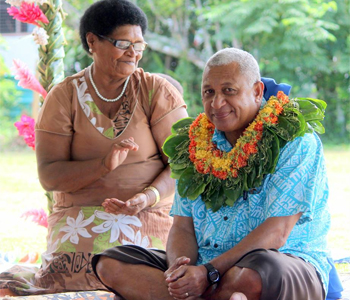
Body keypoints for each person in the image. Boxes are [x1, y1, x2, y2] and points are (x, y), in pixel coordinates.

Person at [91, 48, 335, 300]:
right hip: (204, 266)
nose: (217, 103)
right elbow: (183, 226)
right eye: (209, 92)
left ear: (257, 91)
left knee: (255, 275)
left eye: (229, 91)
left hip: (281, 261)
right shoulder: (194, 145)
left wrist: (209, 273)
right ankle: (214, 295)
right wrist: (181, 272)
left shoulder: (295, 140)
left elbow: (277, 232)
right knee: (109, 262)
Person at [0, 0, 187, 295]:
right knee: (71, 279)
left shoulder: (156, 91)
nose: (133, 53)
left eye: (139, 45)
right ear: (92, 41)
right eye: (123, 43)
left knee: (145, 276)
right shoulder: (63, 97)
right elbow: (50, 175)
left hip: (146, 216)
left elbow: (183, 163)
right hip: (79, 220)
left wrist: (146, 197)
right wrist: (103, 166)